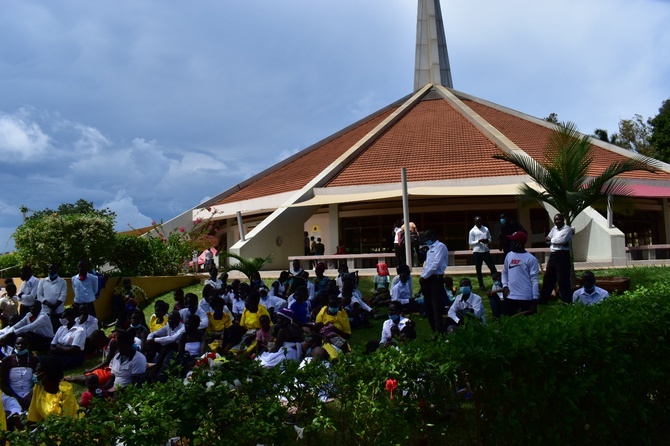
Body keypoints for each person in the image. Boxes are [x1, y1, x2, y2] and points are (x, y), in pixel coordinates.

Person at [27, 356, 79, 427]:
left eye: (37, 371)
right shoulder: (38, 387)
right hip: (51, 428)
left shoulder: (64, 392)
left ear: (46, 374)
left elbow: (65, 422)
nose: (35, 374)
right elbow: (33, 414)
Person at [501, 231, 540, 316]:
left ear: (519, 243)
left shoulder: (531, 259)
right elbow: (504, 272)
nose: (511, 243)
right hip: (510, 296)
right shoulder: (509, 255)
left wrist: (535, 299)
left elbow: (534, 280)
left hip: (526, 297)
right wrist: (505, 286)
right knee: (506, 320)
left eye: (513, 241)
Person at [419, 229, 449, 336]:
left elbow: (436, 265)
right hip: (427, 280)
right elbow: (427, 265)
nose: (427, 240)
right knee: (428, 306)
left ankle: (439, 331)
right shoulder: (429, 249)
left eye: (428, 237)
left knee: (436, 306)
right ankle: (434, 331)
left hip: (435, 279)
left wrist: (424, 276)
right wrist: (423, 276)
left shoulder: (440, 247)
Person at [539, 213, 573, 304]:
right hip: (553, 254)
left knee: (563, 279)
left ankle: (566, 300)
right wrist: (553, 240)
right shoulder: (554, 229)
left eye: (559, 220)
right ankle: (543, 299)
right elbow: (548, 238)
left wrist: (552, 240)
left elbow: (561, 241)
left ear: (563, 220)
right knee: (548, 278)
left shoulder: (568, 229)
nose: (557, 222)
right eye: (556, 220)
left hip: (562, 255)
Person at [1, 335, 39, 411]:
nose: (20, 346)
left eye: (23, 344)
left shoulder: (34, 360)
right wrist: (18, 398)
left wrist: (30, 395)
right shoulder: (7, 361)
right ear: (14, 345)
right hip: (11, 395)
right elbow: (4, 385)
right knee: (15, 409)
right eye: (17, 344)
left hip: (30, 395)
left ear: (28, 345)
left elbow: (37, 382)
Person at [36, 263, 67, 333]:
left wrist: (54, 307)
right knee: (45, 331)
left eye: (53, 269)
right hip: (45, 310)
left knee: (57, 330)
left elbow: (63, 295)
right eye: (50, 268)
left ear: (57, 270)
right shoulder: (42, 281)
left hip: (58, 310)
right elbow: (39, 295)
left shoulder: (62, 281)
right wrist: (49, 305)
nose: (51, 270)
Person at [469, 216, 497, 290]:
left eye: (480, 221)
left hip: (486, 251)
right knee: (478, 270)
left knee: (492, 268)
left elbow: (490, 239)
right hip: (477, 252)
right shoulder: (472, 231)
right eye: (478, 222)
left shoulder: (485, 229)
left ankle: (497, 282)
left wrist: (487, 240)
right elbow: (470, 242)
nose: (479, 223)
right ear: (475, 222)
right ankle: (481, 285)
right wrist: (478, 241)